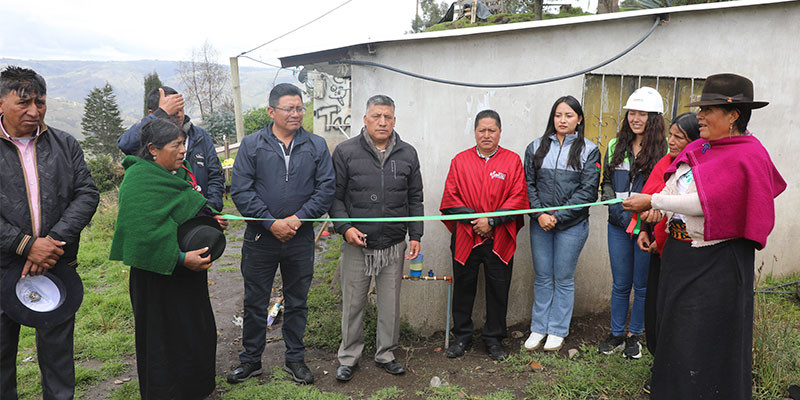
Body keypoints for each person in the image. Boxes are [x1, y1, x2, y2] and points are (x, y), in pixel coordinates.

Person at [623, 73, 785, 400]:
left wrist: (653, 201)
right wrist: (658, 214)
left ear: (733, 114)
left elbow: (707, 203)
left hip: (718, 264)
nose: (700, 116)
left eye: (707, 109)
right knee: (674, 334)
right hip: (679, 257)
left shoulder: (748, 154)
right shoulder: (699, 148)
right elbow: (674, 188)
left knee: (704, 336)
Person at [0, 66, 99, 399]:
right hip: (2, 268)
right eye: (23, 103)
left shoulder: (64, 144)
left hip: (54, 266)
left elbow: (87, 193)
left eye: (40, 102)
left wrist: (51, 244)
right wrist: (25, 245)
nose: (34, 111)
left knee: (59, 359)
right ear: (1, 103)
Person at [228, 83, 335, 385]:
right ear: (271, 111)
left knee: (297, 300)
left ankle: (295, 359)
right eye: (289, 108)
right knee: (255, 300)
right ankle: (250, 360)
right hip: (261, 238)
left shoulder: (315, 145)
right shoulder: (252, 145)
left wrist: (299, 219)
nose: (296, 114)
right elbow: (241, 189)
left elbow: (326, 188)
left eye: (300, 108)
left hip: (300, 238)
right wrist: (270, 222)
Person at [110, 118, 219, 399]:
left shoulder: (179, 175)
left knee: (195, 331)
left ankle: (196, 389)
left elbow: (185, 214)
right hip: (156, 277)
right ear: (153, 149)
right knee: (162, 339)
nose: (183, 150)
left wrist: (208, 219)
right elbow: (140, 234)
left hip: (188, 277)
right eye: (176, 145)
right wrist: (182, 259)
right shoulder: (139, 179)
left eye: (184, 143)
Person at [330, 95, 424, 382]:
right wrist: (346, 228)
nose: (382, 122)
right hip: (357, 244)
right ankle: (349, 356)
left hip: (394, 243)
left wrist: (416, 234)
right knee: (353, 303)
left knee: (390, 304)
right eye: (376, 116)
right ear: (365, 119)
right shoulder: (345, 152)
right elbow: (334, 198)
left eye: (388, 117)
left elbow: (415, 197)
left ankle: (386, 353)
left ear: (394, 120)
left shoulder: (407, 153)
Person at [440, 110, 529, 361]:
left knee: (498, 289)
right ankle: (462, 337)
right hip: (466, 237)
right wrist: (476, 221)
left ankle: (493, 339)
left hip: (498, 237)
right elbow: (450, 198)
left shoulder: (512, 161)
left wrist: (491, 221)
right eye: (482, 130)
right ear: (475, 132)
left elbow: (519, 198)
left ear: (500, 132)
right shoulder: (460, 160)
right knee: (464, 288)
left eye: (492, 130)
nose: (486, 135)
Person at [625, 111, 700, 394]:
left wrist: (664, 234)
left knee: (680, 316)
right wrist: (645, 229)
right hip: (661, 253)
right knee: (657, 311)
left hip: (687, 251)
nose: (671, 141)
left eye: (678, 137)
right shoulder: (667, 164)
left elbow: (688, 206)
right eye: (670, 134)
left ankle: (678, 373)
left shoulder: (700, 167)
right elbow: (651, 197)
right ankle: (660, 365)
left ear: (694, 140)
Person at [522, 96, 600, 352]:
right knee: (543, 277)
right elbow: (528, 185)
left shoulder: (589, 150)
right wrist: (540, 215)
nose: (562, 120)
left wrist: (558, 216)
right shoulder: (536, 147)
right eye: (558, 115)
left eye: (568, 115)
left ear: (578, 119)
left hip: (571, 225)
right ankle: (538, 327)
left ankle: (557, 329)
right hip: (540, 223)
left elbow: (588, 192)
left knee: (563, 278)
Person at [597, 86, 666, 359]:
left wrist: (646, 221)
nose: (635, 119)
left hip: (645, 228)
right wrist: (618, 210)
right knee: (620, 283)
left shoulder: (663, 151)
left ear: (654, 118)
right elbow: (606, 184)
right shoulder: (616, 146)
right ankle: (615, 333)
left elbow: (661, 192)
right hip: (617, 225)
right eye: (632, 113)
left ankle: (634, 335)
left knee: (642, 284)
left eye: (642, 114)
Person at [118, 86, 225, 214]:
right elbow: (125, 144)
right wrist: (161, 114)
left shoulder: (200, 136)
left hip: (202, 218)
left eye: (181, 109)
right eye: (172, 111)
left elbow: (215, 176)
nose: (178, 115)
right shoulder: (149, 141)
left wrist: (210, 209)